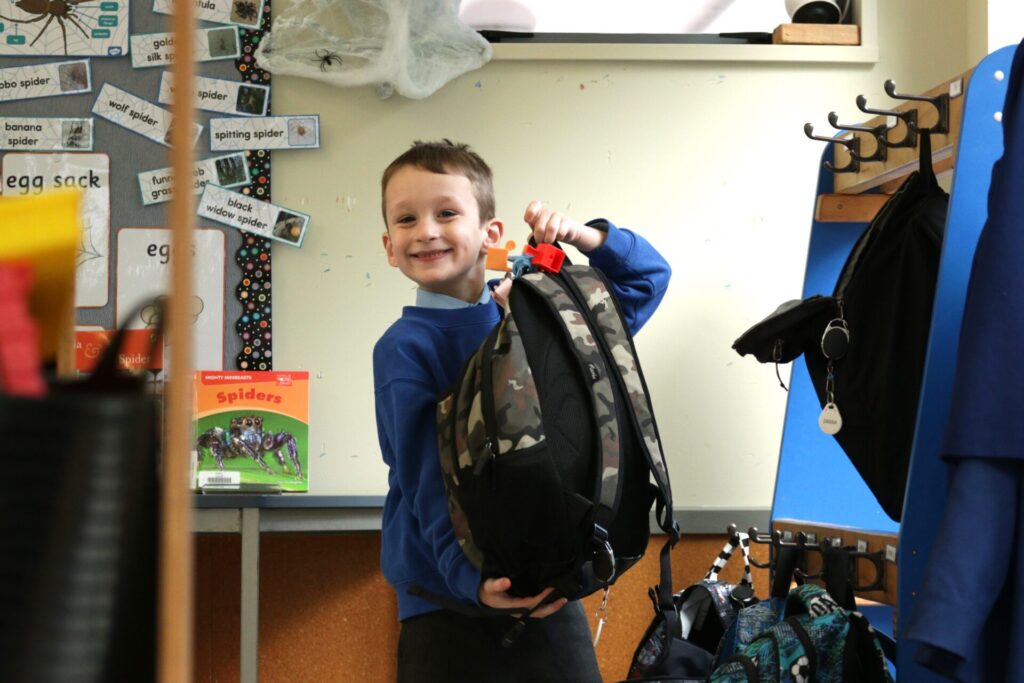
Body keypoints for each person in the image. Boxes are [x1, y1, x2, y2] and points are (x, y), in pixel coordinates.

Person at [373, 139, 671, 682]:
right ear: (390, 247)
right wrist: (470, 582)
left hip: (548, 587)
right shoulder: (404, 348)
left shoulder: (535, 312)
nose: (427, 231)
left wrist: (584, 237)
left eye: (446, 212)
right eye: (407, 219)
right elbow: (423, 479)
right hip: (449, 604)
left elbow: (645, 281)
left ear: (491, 233)